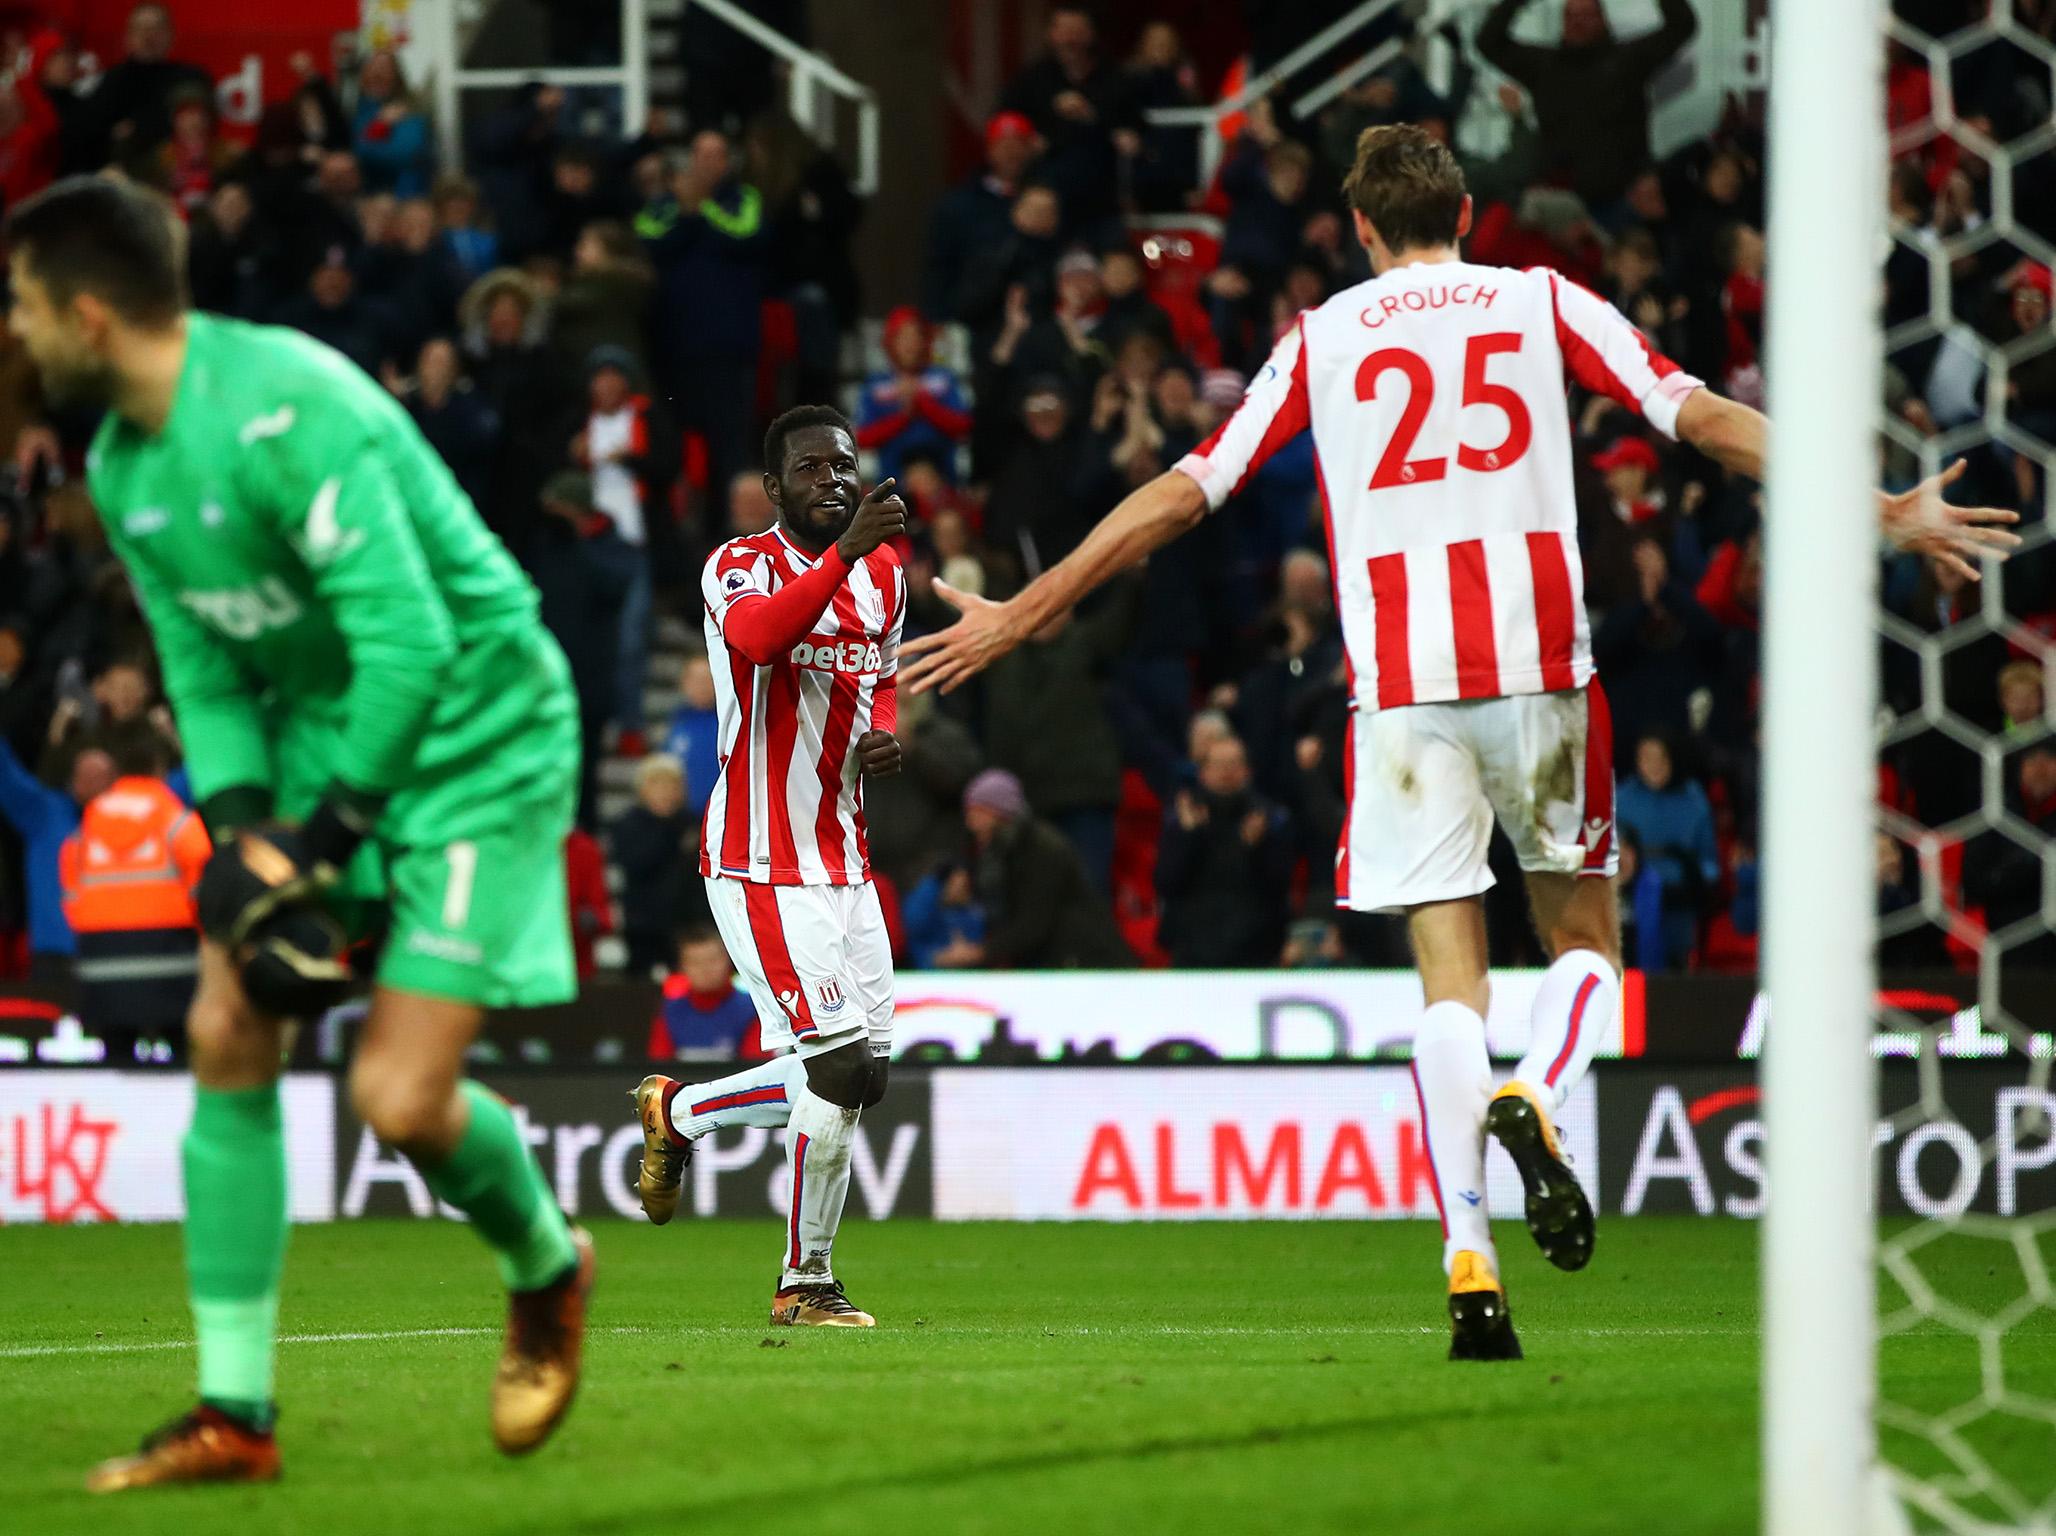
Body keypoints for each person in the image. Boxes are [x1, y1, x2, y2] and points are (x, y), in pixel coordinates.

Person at [901, 124, 2017, 1360]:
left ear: (1362, 230)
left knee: (1448, 983)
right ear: (1470, 213)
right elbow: (1700, 418)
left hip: (1400, 695)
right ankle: (1536, 1091)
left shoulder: (1323, 336)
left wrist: (1023, 611)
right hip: (1542, 675)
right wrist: (1881, 511)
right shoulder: (1543, 300)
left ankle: (1469, 1265)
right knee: (1584, 938)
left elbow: (1184, 491)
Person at [6, 176, 594, 1487]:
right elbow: (206, 672)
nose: (16, 329)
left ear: (87, 316)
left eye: (23, 304)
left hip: (471, 730)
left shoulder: (291, 409)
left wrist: (321, 834)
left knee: (398, 1098)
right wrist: (235, 835)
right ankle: (234, 1414)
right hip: (320, 729)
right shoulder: (119, 461)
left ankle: (548, 1265)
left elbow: (414, 641)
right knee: (227, 1026)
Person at [626, 405, 907, 1329]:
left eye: (845, 465)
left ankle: (683, 1114)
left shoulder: (886, 584)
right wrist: (841, 556)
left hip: (845, 858)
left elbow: (880, 678)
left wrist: (884, 738)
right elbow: (758, 642)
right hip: (757, 861)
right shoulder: (739, 565)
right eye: (813, 468)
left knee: (862, 1074)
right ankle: (806, 1282)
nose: (833, 479)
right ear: (774, 486)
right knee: (835, 1066)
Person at [59, 738, 211, 1061]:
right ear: (160, 771)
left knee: (116, 1059)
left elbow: (72, 893)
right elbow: (206, 887)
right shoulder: (177, 822)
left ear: (117, 774)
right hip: (172, 964)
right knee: (183, 1057)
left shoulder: (87, 825)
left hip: (103, 965)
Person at [1475, 0, 1701, 208]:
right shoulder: (1545, 66)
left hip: (1624, 197)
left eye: (1586, 16)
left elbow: (1681, 26)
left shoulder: (1629, 60)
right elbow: (1488, 43)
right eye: (1570, 16)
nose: (1577, 23)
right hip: (1562, 203)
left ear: (1603, 19)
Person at [607, 754, 693, 976]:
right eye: (657, 783)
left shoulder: (694, 824)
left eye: (672, 784)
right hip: (642, 924)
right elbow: (634, 864)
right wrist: (667, 831)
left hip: (686, 925)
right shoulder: (626, 825)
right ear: (641, 789)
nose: (665, 791)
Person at [647, 924, 761, 1057]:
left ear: (729, 960)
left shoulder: (753, 1009)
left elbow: (757, 1069)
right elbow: (658, 1066)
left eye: (712, 960)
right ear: (682, 967)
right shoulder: (670, 1011)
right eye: (695, 962)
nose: (705, 969)